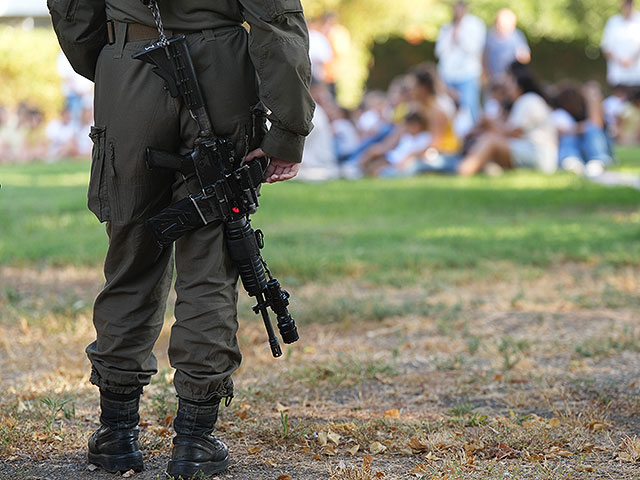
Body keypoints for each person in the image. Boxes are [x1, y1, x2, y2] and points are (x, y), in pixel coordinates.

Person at [53, 1, 314, 478]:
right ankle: (194, 439)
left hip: (128, 60)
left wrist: (112, 60)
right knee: (211, 262)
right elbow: (274, 20)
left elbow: (71, 7)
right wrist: (290, 129)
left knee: (130, 255)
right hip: (220, 69)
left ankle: (116, 432)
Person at [458, 62, 557, 176]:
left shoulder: (528, 100)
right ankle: (486, 168)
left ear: (518, 86)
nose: (508, 89)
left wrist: (490, 125)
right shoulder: (526, 101)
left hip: (538, 154)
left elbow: (513, 133)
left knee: (491, 141)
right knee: (488, 139)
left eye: (510, 83)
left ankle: (465, 169)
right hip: (537, 153)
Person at [435, 0, 486, 122]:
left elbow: (475, 48)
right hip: (448, 74)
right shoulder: (447, 27)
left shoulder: (475, 24)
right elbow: (439, 51)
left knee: (469, 106)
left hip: (468, 74)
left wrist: (460, 37)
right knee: (448, 107)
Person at [601, 0, 640, 89]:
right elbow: (606, 48)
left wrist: (633, 60)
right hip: (617, 77)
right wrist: (620, 61)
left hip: (637, 77)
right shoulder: (612, 22)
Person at [484, 8, 530, 80]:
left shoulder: (516, 36)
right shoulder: (490, 36)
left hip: (511, 79)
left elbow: (525, 56)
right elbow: (484, 56)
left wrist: (521, 55)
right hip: (494, 78)